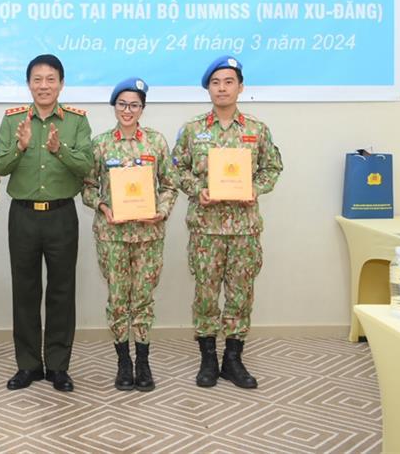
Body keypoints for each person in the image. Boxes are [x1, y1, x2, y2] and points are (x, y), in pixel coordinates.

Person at [171, 56, 283, 389]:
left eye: (229, 82)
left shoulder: (256, 130)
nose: (222, 88)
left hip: (244, 227)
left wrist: (255, 189)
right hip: (206, 227)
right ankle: (208, 359)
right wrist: (197, 189)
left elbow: (272, 169)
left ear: (240, 87)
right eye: (216, 82)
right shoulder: (192, 130)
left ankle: (233, 359)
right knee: (206, 294)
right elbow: (177, 170)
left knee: (240, 294)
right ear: (208, 88)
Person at [0, 54, 94, 392]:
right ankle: (28, 365)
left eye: (51, 79)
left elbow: (86, 167)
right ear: (29, 84)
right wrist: (19, 147)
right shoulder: (12, 120)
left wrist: (59, 149)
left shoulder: (77, 121)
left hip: (61, 215)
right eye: (37, 79)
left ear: (61, 84)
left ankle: (59, 367)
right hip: (22, 215)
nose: (44, 85)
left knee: (62, 292)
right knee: (25, 291)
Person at [81, 77, 178, 391]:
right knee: (118, 300)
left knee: (144, 300)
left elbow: (170, 184)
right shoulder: (100, 144)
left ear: (142, 108)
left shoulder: (156, 142)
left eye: (134, 105)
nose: (128, 110)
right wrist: (102, 206)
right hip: (112, 235)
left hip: (148, 235)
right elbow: (88, 186)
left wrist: (161, 211)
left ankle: (144, 361)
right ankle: (124, 362)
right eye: (122, 104)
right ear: (114, 106)